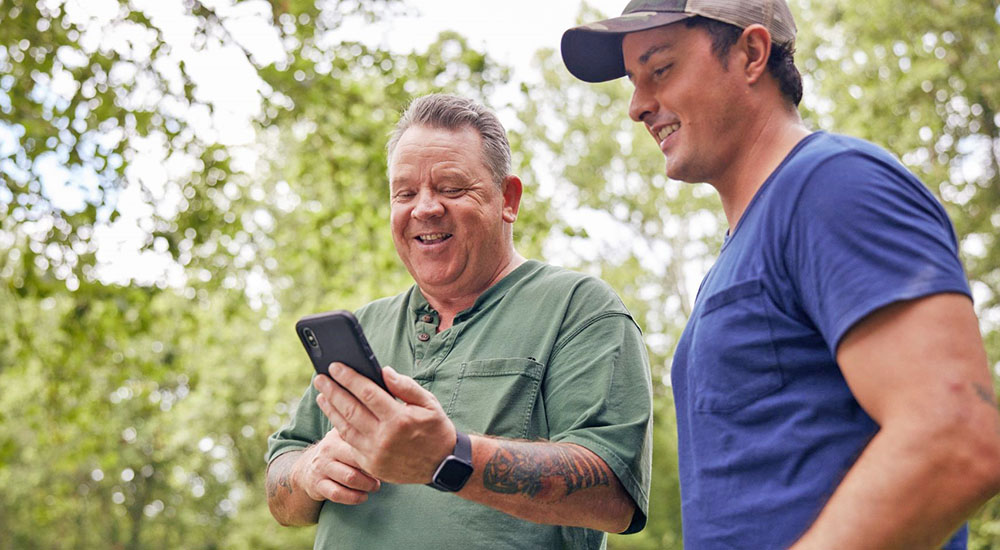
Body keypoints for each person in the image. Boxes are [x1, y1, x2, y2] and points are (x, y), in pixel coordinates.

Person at [561, 1, 1000, 549]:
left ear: (751, 53)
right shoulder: (743, 246)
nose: (637, 106)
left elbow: (955, 438)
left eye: (661, 68)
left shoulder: (834, 184)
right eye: (632, 80)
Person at [264, 93, 653, 549]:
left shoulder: (578, 308)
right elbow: (280, 486)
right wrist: (309, 472)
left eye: (450, 188)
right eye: (405, 193)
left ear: (508, 199)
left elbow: (615, 493)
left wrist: (448, 457)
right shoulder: (365, 326)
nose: (424, 208)